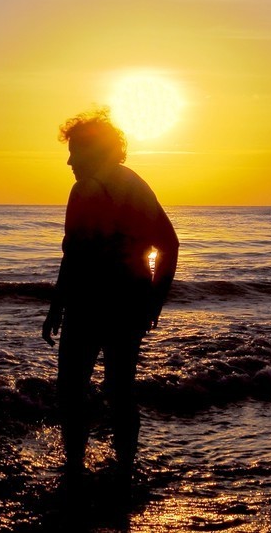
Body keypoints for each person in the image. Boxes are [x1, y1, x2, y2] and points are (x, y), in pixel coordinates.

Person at [41, 109, 179, 485]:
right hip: (131, 300)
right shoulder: (134, 182)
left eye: (75, 151)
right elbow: (168, 243)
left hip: (90, 303)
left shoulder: (84, 189)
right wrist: (154, 297)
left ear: (94, 150)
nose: (69, 160)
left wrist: (58, 306)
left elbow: (75, 255)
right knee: (121, 388)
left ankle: (73, 470)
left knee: (71, 389)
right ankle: (124, 469)